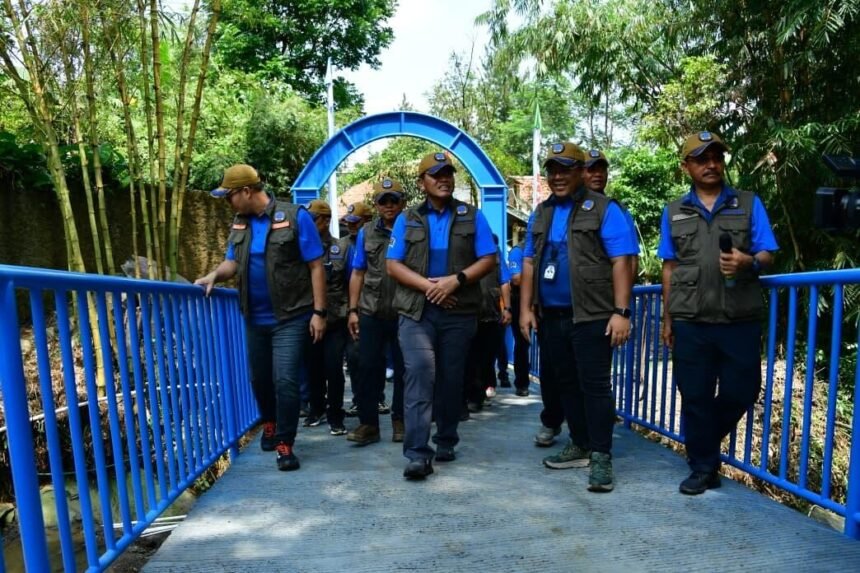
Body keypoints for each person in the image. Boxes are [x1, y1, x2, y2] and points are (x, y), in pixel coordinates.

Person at [658, 131, 778, 495]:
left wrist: (748, 261)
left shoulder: (747, 203)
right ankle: (703, 467)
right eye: (701, 159)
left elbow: (768, 253)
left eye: (716, 157)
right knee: (693, 394)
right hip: (690, 319)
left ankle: (700, 441)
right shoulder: (674, 211)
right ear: (686, 167)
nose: (711, 164)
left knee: (743, 390)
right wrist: (667, 318)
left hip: (737, 317)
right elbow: (670, 267)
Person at [519, 142, 638, 493]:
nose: (558, 176)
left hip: (593, 315)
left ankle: (601, 455)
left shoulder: (604, 209)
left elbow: (622, 260)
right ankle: (581, 443)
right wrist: (526, 308)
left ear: (580, 172)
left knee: (595, 385)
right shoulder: (540, 213)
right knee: (565, 383)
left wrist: (621, 312)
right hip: (551, 314)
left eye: (566, 169)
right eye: (553, 169)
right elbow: (528, 261)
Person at [195, 164, 327, 472]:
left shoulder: (295, 217)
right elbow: (232, 262)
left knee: (286, 380)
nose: (227, 202)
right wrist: (214, 275)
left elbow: (316, 266)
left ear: (245, 192)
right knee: (259, 379)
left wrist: (319, 313)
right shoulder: (239, 223)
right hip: (254, 317)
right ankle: (269, 422)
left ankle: (285, 443)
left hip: (291, 316)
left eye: (228, 196)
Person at [387, 151, 496, 480]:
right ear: (422, 183)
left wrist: (456, 281)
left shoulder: (472, 216)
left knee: (451, 378)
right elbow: (393, 264)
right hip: (417, 312)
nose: (444, 179)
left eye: (448, 173)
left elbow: (488, 258)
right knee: (420, 372)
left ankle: (446, 438)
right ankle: (418, 453)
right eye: (436, 175)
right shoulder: (408, 218)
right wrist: (430, 287)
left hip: (458, 312)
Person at [346, 179, 407, 445]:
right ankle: (368, 424)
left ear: (402, 203)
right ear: (377, 205)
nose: (389, 205)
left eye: (393, 200)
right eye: (384, 201)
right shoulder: (366, 233)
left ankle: (400, 420)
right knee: (367, 367)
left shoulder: (412, 228)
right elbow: (358, 272)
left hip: (404, 310)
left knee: (406, 369)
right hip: (371, 310)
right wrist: (352, 310)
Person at [304, 199, 351, 436]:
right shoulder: (299, 249)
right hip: (309, 319)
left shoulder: (341, 249)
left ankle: (336, 414)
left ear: (324, 221)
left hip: (335, 319)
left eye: (313, 220)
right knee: (313, 368)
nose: (309, 224)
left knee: (333, 368)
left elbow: (351, 282)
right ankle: (316, 409)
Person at [464, 235, 512, 412]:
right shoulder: (463, 250)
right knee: (468, 358)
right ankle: (470, 395)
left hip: (490, 315)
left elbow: (504, 282)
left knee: (485, 359)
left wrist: (507, 308)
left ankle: (478, 395)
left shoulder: (495, 254)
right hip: (466, 313)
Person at [341, 201, 377, 415]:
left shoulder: (377, 241)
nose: (351, 225)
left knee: (375, 359)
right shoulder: (342, 246)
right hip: (350, 309)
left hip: (374, 306)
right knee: (355, 358)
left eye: (356, 222)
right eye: (349, 222)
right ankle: (359, 399)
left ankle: (377, 398)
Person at [582, 149, 639, 278]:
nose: (598, 174)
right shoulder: (569, 208)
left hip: (607, 288)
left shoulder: (618, 210)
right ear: (580, 173)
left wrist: (625, 293)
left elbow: (632, 258)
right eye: (591, 170)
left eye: (602, 170)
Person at [507, 241, 533, 398]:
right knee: (522, 344)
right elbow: (516, 279)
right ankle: (522, 383)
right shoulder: (518, 251)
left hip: (541, 302)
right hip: (520, 301)